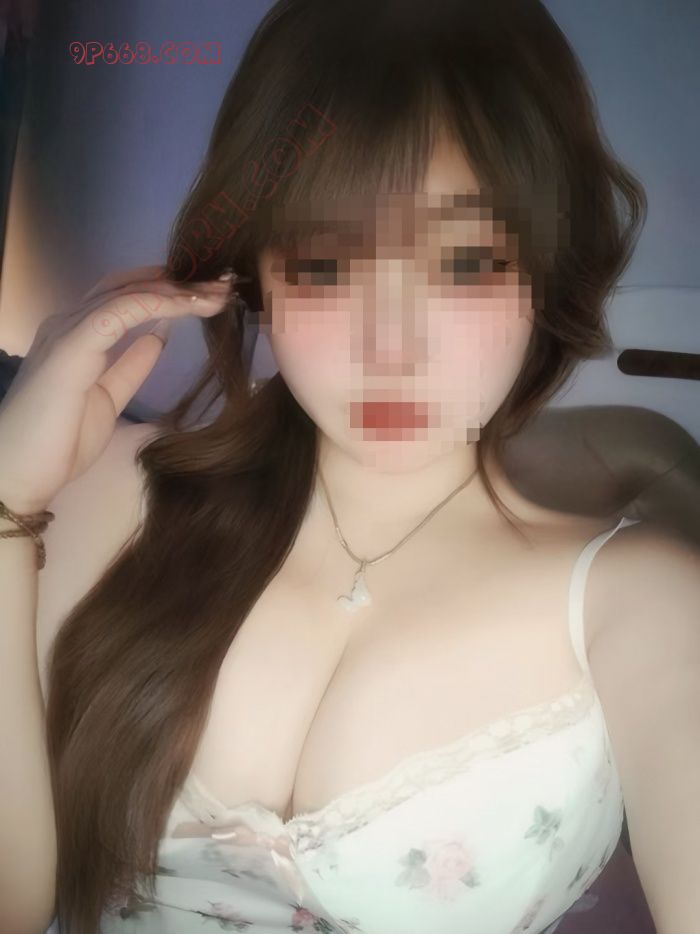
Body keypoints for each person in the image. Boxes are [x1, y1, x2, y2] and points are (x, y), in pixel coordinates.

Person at [0, 1, 698, 932]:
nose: (391, 347)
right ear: (259, 276)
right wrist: (6, 498)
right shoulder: (110, 495)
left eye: (465, 263)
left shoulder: (638, 601)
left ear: (545, 273)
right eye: (328, 264)